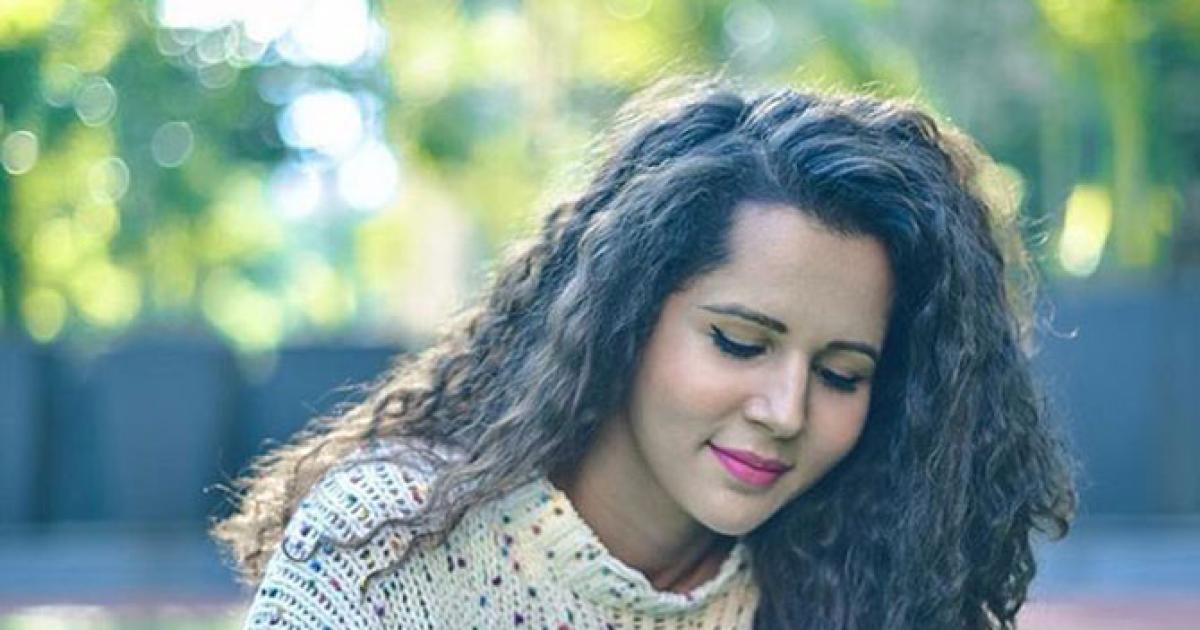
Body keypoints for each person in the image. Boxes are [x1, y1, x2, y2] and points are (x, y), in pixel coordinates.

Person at [212, 77, 1076, 629]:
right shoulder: (390, 545)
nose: (785, 411)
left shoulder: (859, 596)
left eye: (841, 374)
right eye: (739, 342)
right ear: (624, 316)